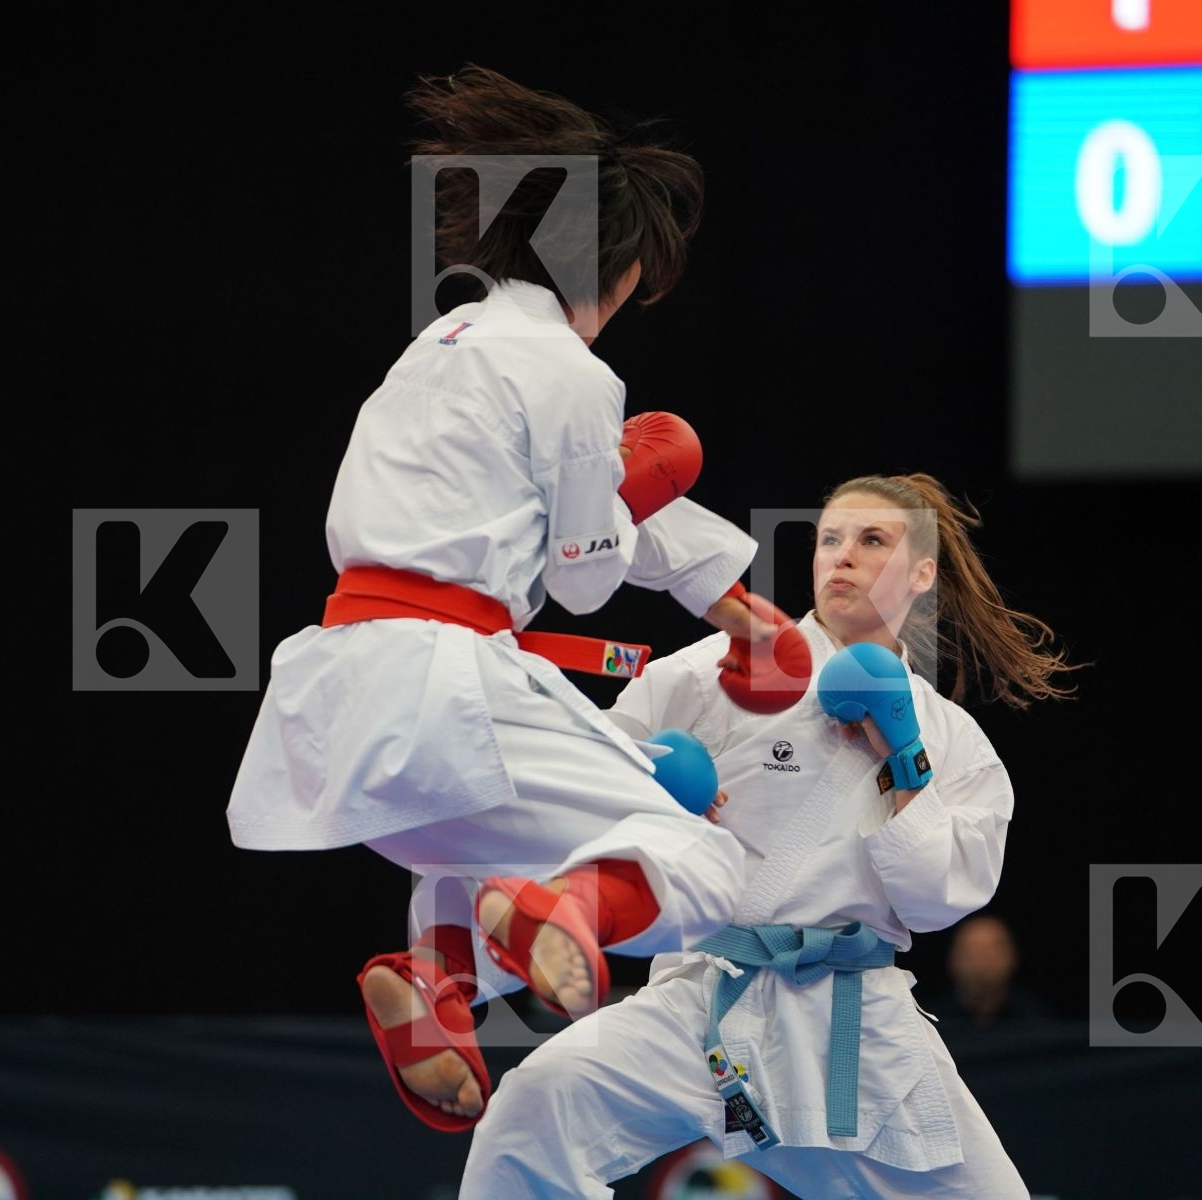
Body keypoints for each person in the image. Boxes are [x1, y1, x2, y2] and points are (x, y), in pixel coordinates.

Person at [224, 65, 790, 1134]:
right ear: (620, 270)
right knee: (707, 861)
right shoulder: (571, 371)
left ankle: (434, 984)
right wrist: (643, 471)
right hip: (445, 680)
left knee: (473, 857)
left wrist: (729, 600)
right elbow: (578, 573)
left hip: (339, 688)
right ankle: (557, 916)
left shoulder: (432, 350)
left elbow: (545, 511)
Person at [461, 472, 1081, 1198]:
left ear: (922, 573)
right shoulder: (716, 671)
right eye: (829, 539)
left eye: (871, 540)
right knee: (532, 1110)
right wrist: (650, 798)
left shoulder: (950, 739)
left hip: (856, 1025)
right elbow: (580, 785)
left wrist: (900, 755)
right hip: (706, 1004)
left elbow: (937, 900)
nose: (841, 555)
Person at [923, 914, 1051, 1032]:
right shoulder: (928, 1024)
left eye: (991, 953)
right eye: (971, 953)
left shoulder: (1036, 1019)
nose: (981, 961)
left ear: (1013, 957)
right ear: (952, 960)